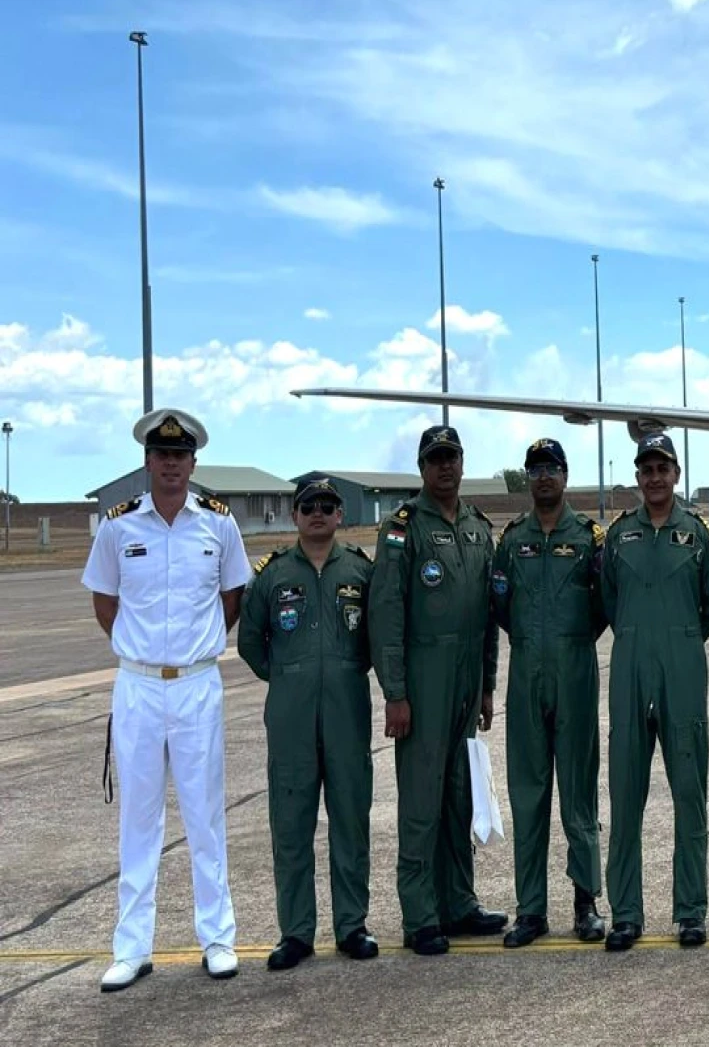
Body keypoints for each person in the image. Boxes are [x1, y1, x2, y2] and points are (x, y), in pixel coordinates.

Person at [82, 409, 250, 992]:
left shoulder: (219, 525)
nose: (172, 464)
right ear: (148, 461)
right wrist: (144, 655)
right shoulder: (118, 526)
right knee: (140, 819)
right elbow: (106, 603)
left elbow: (232, 600)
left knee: (205, 814)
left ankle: (218, 939)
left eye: (181, 456)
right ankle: (132, 948)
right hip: (139, 687)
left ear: (193, 462)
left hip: (198, 685)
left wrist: (189, 652)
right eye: (162, 455)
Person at [369, 424, 506, 956]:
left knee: (459, 796)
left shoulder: (477, 526)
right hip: (424, 680)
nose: (445, 467)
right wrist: (396, 692)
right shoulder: (404, 528)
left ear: (462, 464)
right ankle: (421, 914)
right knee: (422, 800)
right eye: (435, 459)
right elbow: (386, 613)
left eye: (452, 457)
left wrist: (488, 685)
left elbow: (488, 615)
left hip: (468, 679)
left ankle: (459, 903)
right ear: (422, 468)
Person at [237, 477, 380, 970]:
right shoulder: (274, 575)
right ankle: (296, 932)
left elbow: (375, 639)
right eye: (308, 507)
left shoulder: (361, 571)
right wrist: (288, 677)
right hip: (291, 718)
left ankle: (352, 925)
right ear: (295, 516)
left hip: (346, 712)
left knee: (350, 820)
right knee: (292, 825)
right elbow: (251, 642)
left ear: (340, 515)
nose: (317, 513)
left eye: (327, 506)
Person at [600, 433, 709, 950]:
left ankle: (690, 910)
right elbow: (608, 599)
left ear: (676, 475)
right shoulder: (618, 537)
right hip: (630, 668)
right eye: (646, 469)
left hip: (682, 668)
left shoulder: (695, 535)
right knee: (625, 797)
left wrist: (680, 638)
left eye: (662, 468)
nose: (654, 477)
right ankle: (625, 913)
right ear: (638, 477)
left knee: (689, 796)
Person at [491, 438, 608, 948]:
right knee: (528, 794)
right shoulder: (511, 540)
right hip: (526, 673)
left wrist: (572, 642)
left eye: (552, 469)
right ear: (528, 478)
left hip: (575, 669)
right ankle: (530, 910)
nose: (543, 477)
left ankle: (586, 902)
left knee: (578, 794)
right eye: (535, 469)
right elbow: (498, 606)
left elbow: (604, 603)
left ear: (565, 475)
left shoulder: (588, 537)